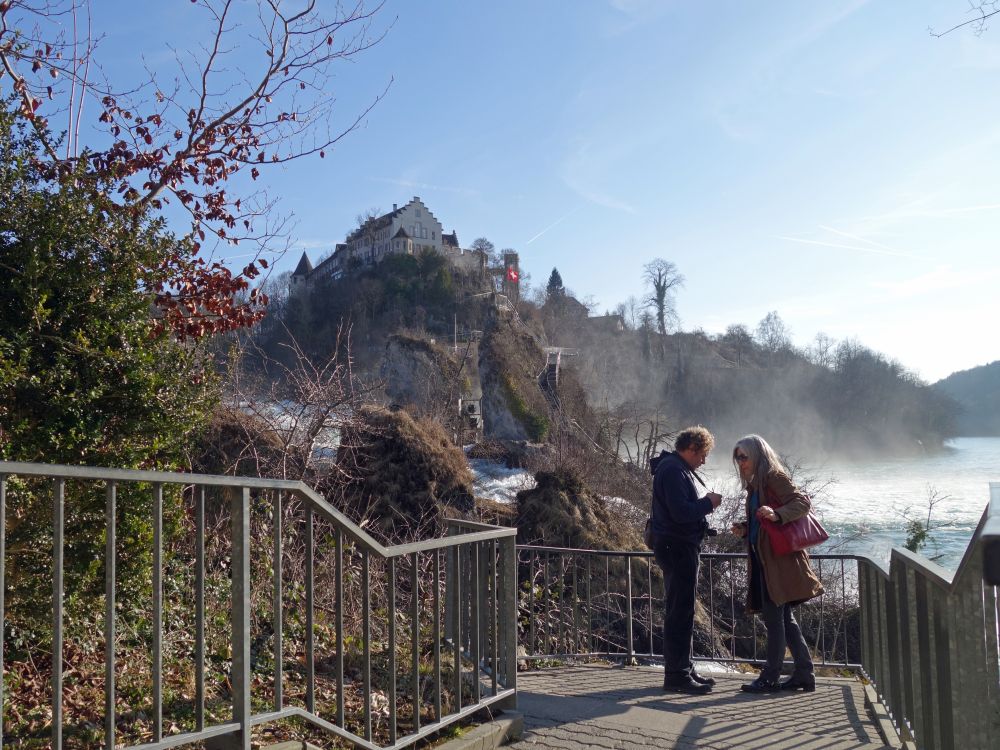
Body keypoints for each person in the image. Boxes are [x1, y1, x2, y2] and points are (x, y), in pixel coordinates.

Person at [730, 434, 824, 694]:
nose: (739, 462)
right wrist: (746, 527)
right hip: (767, 561)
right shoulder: (756, 486)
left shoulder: (773, 477)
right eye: (736, 457)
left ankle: (770, 677)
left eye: (743, 456)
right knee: (784, 619)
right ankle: (804, 674)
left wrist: (777, 513)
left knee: (775, 620)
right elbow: (764, 524)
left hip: (777, 563)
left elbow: (802, 503)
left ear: (757, 455)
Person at [649, 425, 723, 694]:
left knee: (683, 610)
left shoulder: (672, 468)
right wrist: (708, 503)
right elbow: (681, 513)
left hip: (676, 546)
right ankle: (677, 675)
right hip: (677, 547)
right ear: (691, 448)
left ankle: (684, 668)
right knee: (680, 612)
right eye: (702, 455)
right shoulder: (672, 470)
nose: (703, 461)